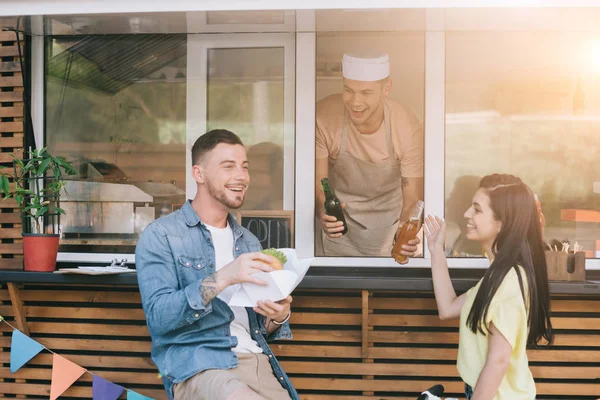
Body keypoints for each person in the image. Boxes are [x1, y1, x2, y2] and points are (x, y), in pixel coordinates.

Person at [136, 129, 298, 400]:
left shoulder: (249, 242)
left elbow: (258, 327)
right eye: (228, 167)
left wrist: (278, 315)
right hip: (200, 366)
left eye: (244, 167)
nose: (241, 176)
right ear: (198, 174)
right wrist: (222, 277)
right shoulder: (162, 235)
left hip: (258, 364)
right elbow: (159, 318)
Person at [423, 174, 554, 399]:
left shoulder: (508, 281)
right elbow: (448, 308)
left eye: (477, 209)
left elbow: (498, 360)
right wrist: (436, 251)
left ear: (503, 222)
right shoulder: (497, 274)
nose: (466, 214)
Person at [315, 52, 423, 258]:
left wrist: (404, 233)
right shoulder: (324, 117)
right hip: (339, 229)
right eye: (349, 90)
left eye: (366, 93)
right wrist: (323, 211)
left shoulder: (407, 126)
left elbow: (412, 200)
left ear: (387, 88)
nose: (355, 102)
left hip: (390, 228)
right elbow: (321, 182)